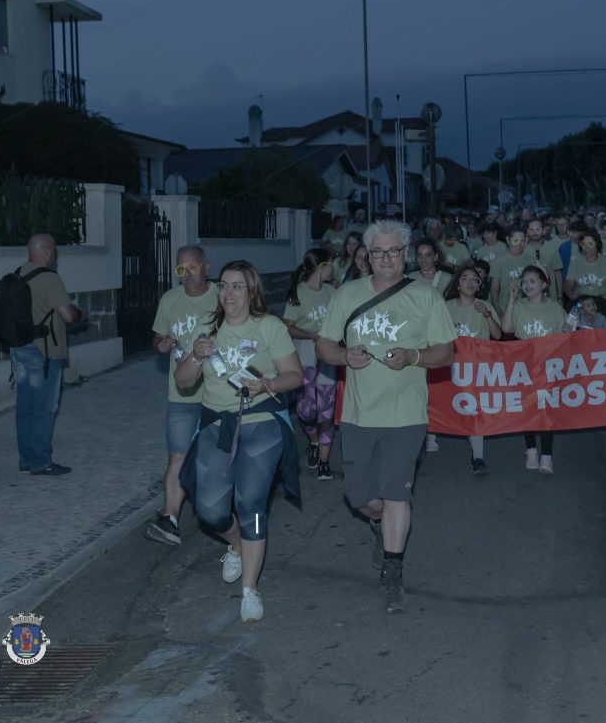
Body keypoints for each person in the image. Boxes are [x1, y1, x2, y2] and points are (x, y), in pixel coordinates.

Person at [315, 220, 457, 614]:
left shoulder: (425, 296)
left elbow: (446, 352)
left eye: (393, 251)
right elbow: (324, 344)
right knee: (359, 497)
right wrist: (343, 356)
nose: (386, 258)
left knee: (397, 494)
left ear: (405, 253)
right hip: (358, 413)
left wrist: (413, 356)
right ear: (368, 255)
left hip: (406, 414)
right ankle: (379, 525)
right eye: (378, 251)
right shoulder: (347, 294)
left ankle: (392, 573)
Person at [175, 261, 303, 623]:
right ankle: (235, 543)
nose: (228, 293)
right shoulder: (205, 329)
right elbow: (183, 381)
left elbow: (295, 375)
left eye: (236, 286)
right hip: (217, 425)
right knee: (210, 511)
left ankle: (250, 590)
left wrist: (267, 384)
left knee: (252, 503)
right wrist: (195, 356)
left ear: (251, 292)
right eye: (223, 286)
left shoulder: (269, 327)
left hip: (262, 423)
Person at [146, 245, 218, 545]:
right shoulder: (169, 300)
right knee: (178, 455)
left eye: (192, 267)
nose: (186, 274)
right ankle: (170, 520)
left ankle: (225, 513)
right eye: (180, 269)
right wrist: (160, 345)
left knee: (218, 457)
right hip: (181, 395)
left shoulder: (222, 296)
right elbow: (157, 338)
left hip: (217, 394)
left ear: (206, 267)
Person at [10, 233, 88, 476]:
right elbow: (68, 315)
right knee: (44, 407)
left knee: (25, 405)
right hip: (44, 351)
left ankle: (26, 458)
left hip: (19, 348)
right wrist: (81, 314)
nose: (54, 256)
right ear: (46, 253)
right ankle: (41, 461)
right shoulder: (49, 279)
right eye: (53, 251)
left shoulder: (17, 274)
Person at [502, 265, 567, 475]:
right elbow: (506, 329)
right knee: (528, 407)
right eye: (524, 281)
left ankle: (547, 455)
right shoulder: (519, 306)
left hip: (549, 366)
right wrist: (511, 300)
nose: (528, 285)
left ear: (544, 285)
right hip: (525, 365)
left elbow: (566, 336)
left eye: (533, 281)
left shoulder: (555, 308)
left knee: (547, 409)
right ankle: (531, 450)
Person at [283, 248, 337, 480]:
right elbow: (287, 326)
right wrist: (310, 335)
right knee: (306, 411)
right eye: (331, 264)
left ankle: (324, 461)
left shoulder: (332, 291)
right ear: (322, 266)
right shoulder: (298, 293)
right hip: (304, 356)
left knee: (326, 409)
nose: (333, 268)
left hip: (328, 357)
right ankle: (314, 440)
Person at [444, 265, 502, 475]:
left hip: (477, 369)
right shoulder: (446, 307)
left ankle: (478, 457)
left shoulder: (484, 306)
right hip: (451, 367)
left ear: (479, 286)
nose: (470, 282)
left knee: (473, 409)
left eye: (475, 279)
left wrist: (487, 315)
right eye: (465, 279)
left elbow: (498, 335)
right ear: (458, 285)